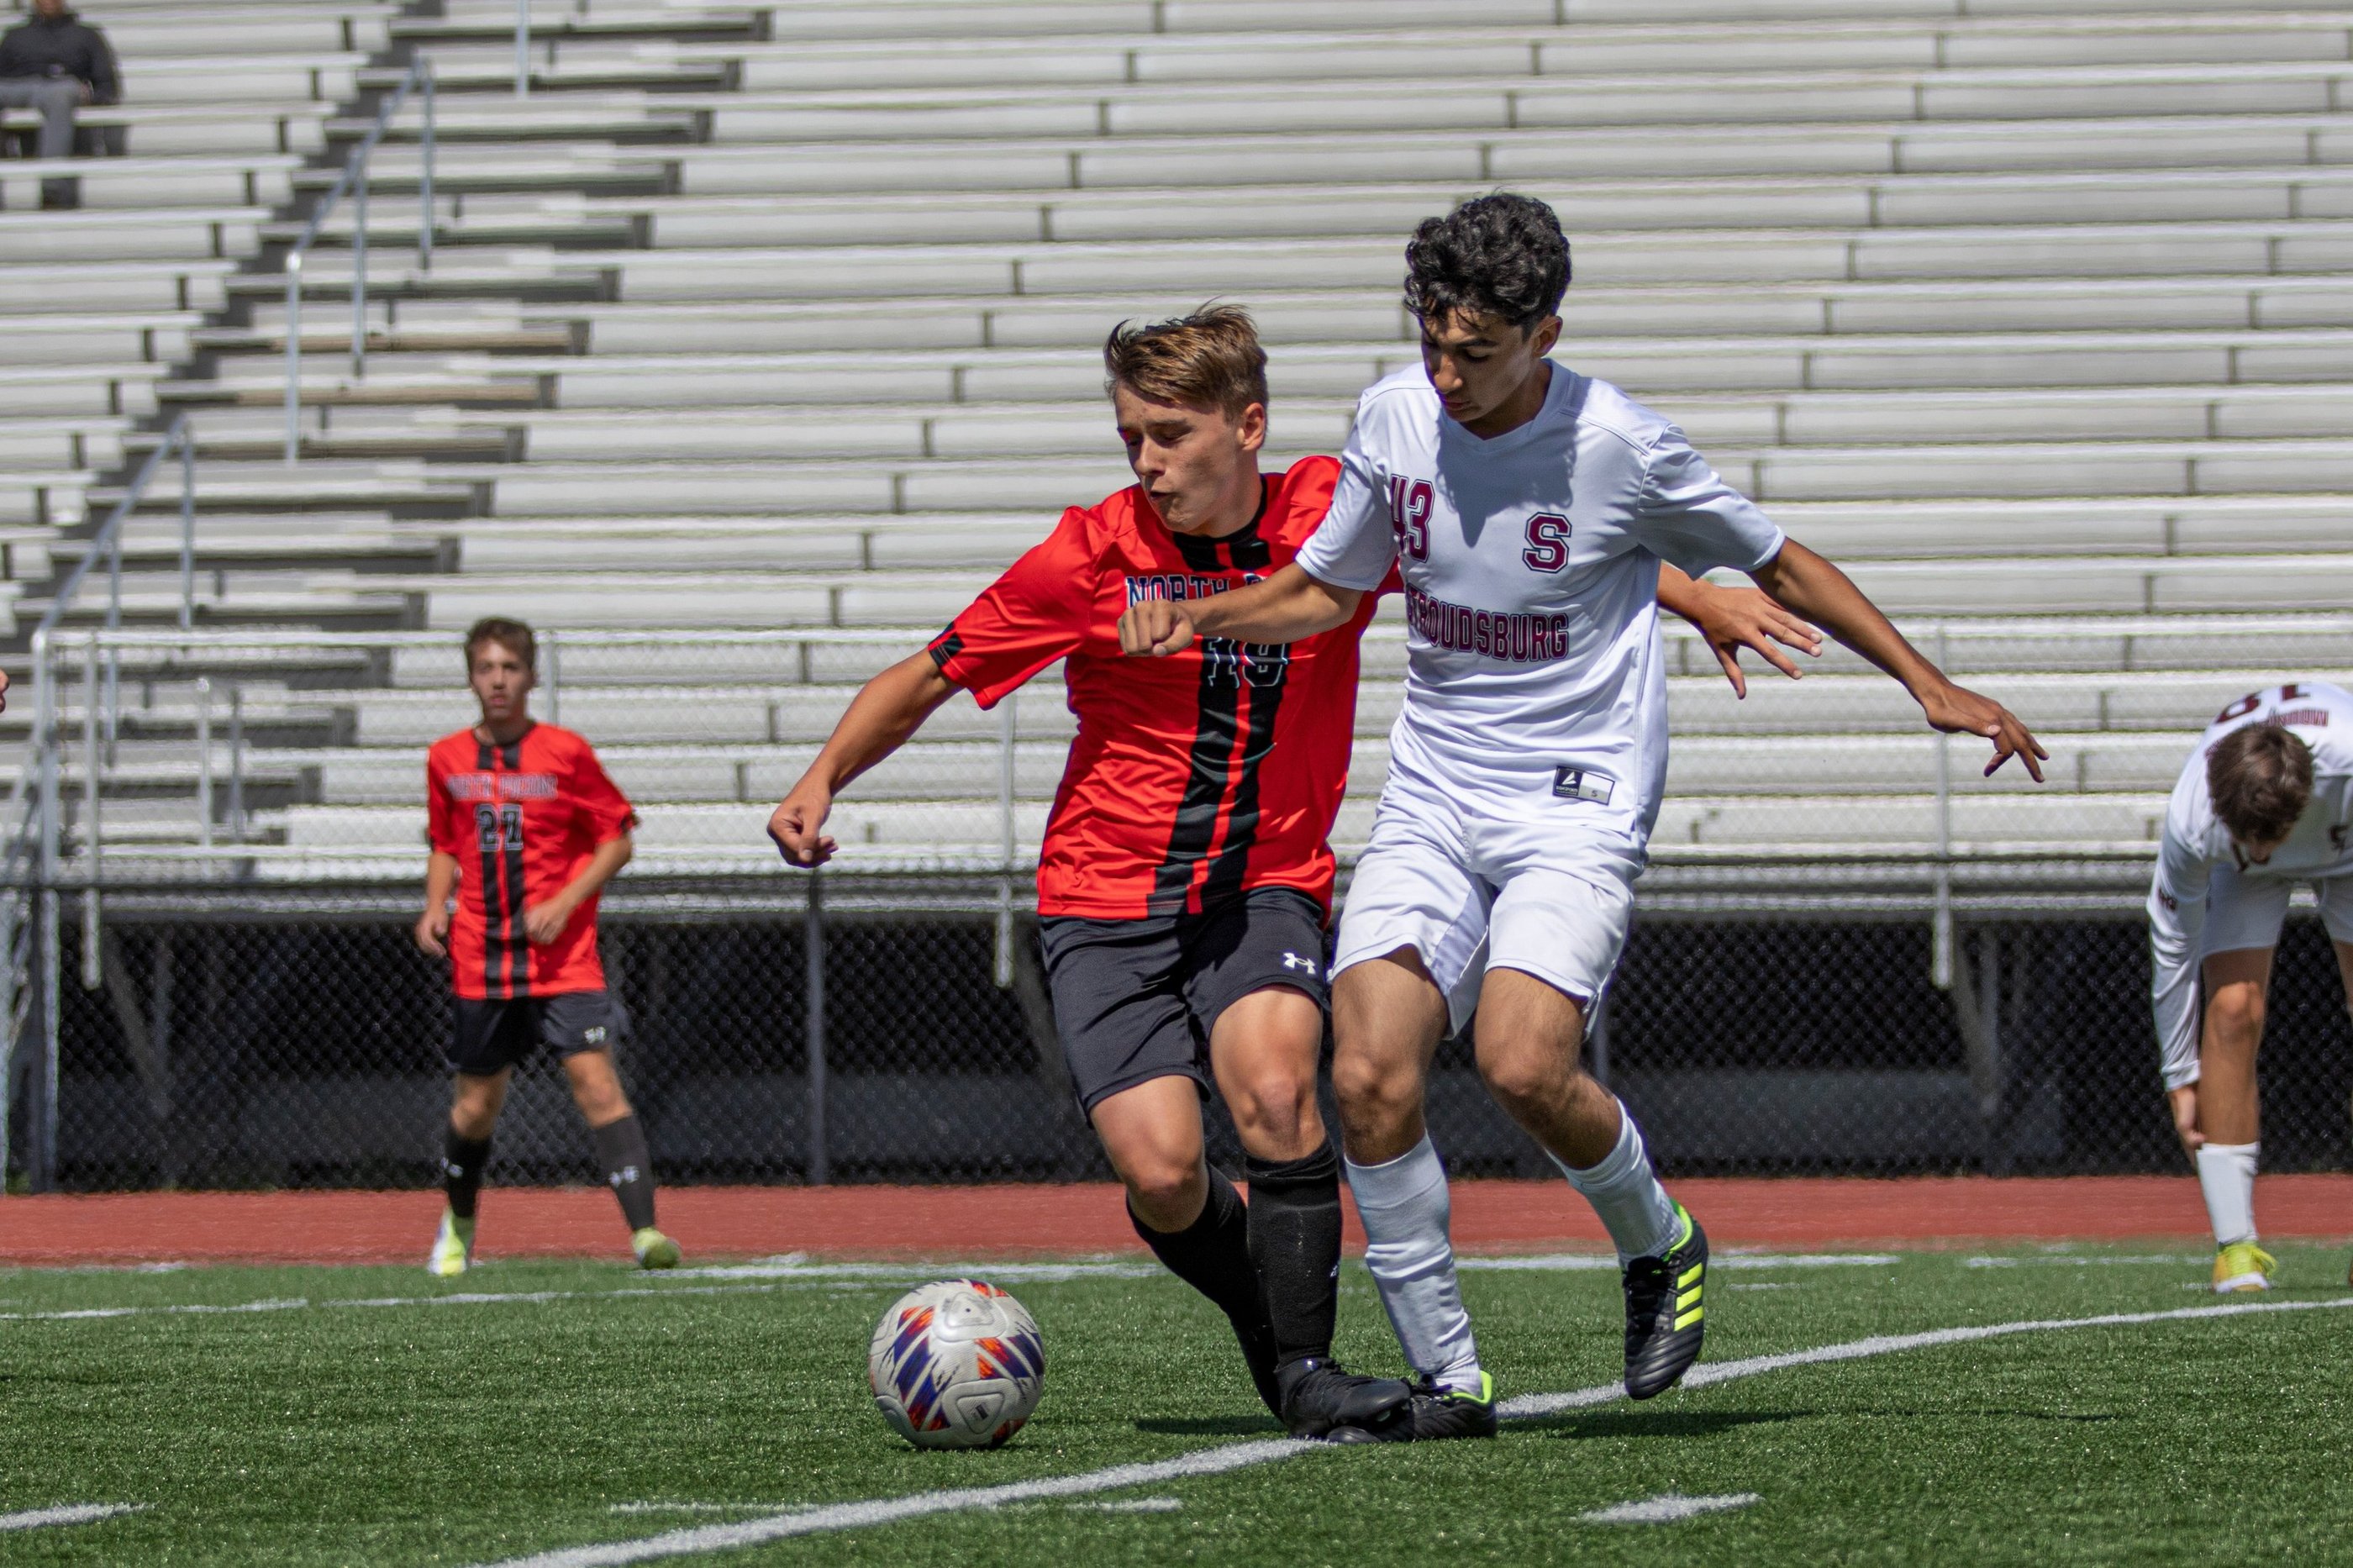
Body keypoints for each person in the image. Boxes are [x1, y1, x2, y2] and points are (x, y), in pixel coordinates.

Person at [769, 304, 1809, 1442]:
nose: (1147, 460)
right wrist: (823, 777)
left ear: (1247, 426)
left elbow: (1504, 562)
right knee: (1163, 1174)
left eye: (1171, 434)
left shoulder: (1329, 513)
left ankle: (1305, 1371)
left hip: (1263, 882)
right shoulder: (1088, 556)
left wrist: (1697, 593)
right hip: (1102, 898)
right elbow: (928, 672)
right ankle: (1277, 1330)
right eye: (1131, 437)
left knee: (1277, 1092)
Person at [1119, 195, 2045, 1434]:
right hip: (1437, 793)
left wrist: (1927, 682)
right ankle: (1450, 1379)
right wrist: (1203, 613)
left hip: (1577, 799)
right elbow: (1326, 591)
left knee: (1520, 1061)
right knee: (1368, 1072)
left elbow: (1779, 561)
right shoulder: (1392, 419)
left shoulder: (1619, 444)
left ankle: (1657, 1238)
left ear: (1544, 334)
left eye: (1475, 351)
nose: (1446, 374)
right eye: (1432, 343)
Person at [415, 617, 679, 1276]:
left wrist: (565, 901)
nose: (498, 681)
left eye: (510, 667)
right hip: (482, 957)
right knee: (477, 1106)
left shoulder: (565, 752)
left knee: (598, 1085)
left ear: (531, 676)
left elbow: (617, 838)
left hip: (563, 960)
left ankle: (646, 1234)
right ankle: (458, 1226)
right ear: (471, 677)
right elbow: (445, 842)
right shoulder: (446, 758)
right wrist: (433, 906)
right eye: (486, 668)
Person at [2149, 680, 2353, 1292]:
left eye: (2270, 837)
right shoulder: (2194, 816)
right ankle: (2235, 1247)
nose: (2263, 852)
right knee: (2233, 1009)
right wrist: (2178, 1075)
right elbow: (2173, 945)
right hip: (2243, 857)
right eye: (2248, 837)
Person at [0, 0, 119, 210]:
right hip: (20, 90)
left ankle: (53, 191)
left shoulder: (86, 35)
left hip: (64, 88)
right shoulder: (15, 36)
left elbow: (107, 86)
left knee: (59, 94)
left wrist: (90, 98)